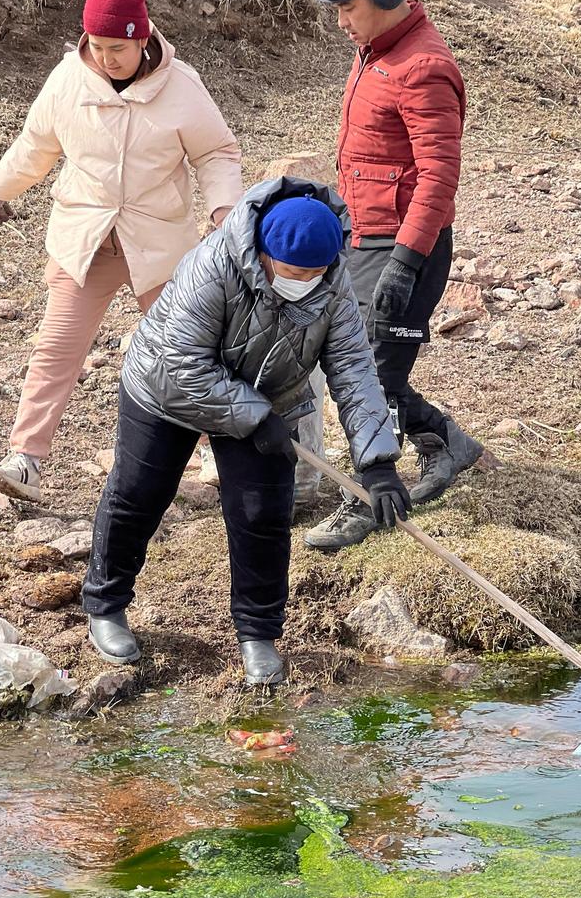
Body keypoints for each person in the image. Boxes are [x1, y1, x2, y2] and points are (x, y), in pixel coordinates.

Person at [81, 180, 408, 686]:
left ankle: (258, 634)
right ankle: (105, 605)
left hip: (269, 396)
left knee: (262, 514)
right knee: (139, 494)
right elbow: (185, 361)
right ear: (264, 253)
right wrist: (254, 416)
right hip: (167, 389)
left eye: (318, 272)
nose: (308, 281)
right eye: (297, 273)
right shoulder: (212, 267)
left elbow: (352, 366)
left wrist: (377, 463)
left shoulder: (330, 282)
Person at [0, 0, 243, 502]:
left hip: (159, 245)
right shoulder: (67, 80)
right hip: (86, 240)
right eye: (96, 45)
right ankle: (25, 459)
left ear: (141, 37)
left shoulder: (182, 87)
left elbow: (217, 152)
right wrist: (1, 187)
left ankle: (228, 459)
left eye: (116, 48)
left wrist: (224, 211)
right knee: (56, 349)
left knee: (190, 351)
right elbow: (37, 143)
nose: (105, 58)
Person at [304, 0, 484, 552]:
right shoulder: (376, 51)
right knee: (359, 364)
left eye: (348, 8)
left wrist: (406, 262)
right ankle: (444, 442)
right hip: (365, 234)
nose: (341, 21)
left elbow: (438, 177)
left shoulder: (423, 66)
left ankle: (368, 498)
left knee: (372, 374)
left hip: (407, 245)